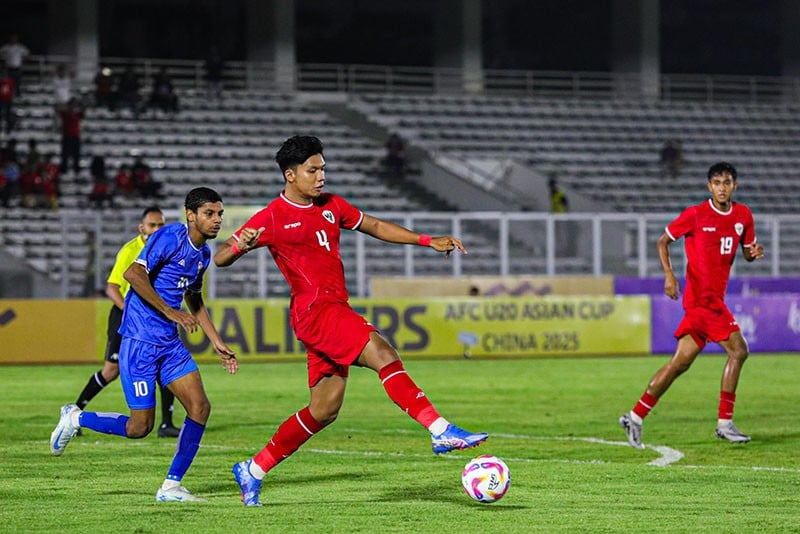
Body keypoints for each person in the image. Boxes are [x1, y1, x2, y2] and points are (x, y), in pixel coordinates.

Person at [214, 135, 488, 507]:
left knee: (324, 410)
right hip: (316, 311)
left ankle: (254, 469)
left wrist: (426, 240)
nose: (321, 176)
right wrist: (239, 246)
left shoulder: (331, 206)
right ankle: (440, 429)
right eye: (313, 170)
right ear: (291, 175)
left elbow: (374, 225)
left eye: (323, 168)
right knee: (382, 352)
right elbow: (220, 258)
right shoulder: (272, 217)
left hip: (331, 308)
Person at [50, 188, 238, 503]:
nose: (217, 220)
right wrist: (169, 311)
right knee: (140, 427)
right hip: (139, 342)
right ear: (190, 215)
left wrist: (216, 341)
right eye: (210, 213)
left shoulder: (203, 254)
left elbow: (193, 298)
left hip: (170, 345)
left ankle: (171, 487)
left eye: (220, 213)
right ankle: (74, 417)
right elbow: (132, 273)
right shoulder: (168, 237)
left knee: (200, 407)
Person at [619, 162, 765, 449]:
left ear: (735, 185)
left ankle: (635, 416)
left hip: (713, 300)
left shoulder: (743, 216)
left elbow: (746, 252)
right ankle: (725, 423)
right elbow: (663, 242)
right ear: (709, 186)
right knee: (739, 350)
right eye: (716, 182)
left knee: (679, 364)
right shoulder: (696, 214)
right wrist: (669, 275)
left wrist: (753, 253)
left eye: (727, 182)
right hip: (702, 302)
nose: (722, 187)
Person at [71, 208, 182, 437]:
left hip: (152, 318)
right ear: (142, 228)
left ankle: (166, 424)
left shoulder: (165, 248)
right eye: (152, 225)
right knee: (111, 371)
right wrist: (129, 309)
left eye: (161, 225)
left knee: (164, 365)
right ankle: (75, 411)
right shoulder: (130, 250)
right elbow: (112, 286)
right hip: (126, 316)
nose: (157, 229)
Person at [58, 97, 85, 176]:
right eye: (72, 104)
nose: (73, 106)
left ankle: (76, 168)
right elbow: (58, 109)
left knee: (76, 154)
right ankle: (64, 169)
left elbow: (83, 112)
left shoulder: (77, 114)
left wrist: (81, 105)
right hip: (67, 135)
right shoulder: (65, 113)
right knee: (65, 154)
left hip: (75, 136)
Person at [0, 65, 15, 135]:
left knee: (8, 115)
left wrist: (11, 97)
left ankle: (8, 129)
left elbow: (12, 90)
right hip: (1, 100)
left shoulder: (10, 81)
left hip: (8, 100)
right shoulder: (1, 82)